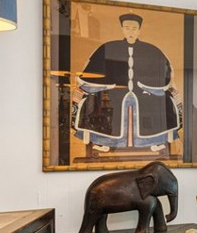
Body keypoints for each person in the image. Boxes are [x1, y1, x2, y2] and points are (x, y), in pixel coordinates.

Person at [73, 13, 181, 152]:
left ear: (139, 30)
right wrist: (111, 83)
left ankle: (154, 140)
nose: (131, 31)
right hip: (114, 93)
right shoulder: (109, 47)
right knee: (101, 106)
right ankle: (104, 141)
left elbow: (163, 75)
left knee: (160, 101)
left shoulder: (151, 50)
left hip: (145, 93)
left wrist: (145, 85)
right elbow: (93, 72)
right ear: (122, 29)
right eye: (127, 28)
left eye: (134, 28)